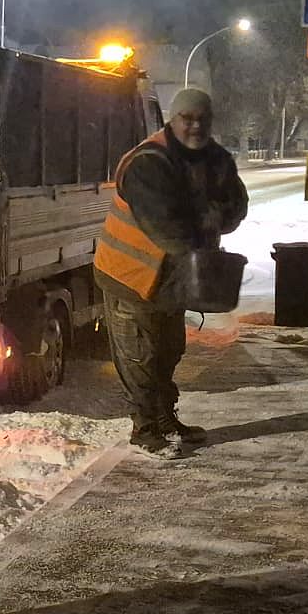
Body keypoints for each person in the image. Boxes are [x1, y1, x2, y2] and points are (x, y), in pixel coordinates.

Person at [94, 88, 249, 457]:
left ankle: (165, 418)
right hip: (131, 276)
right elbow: (166, 229)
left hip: (172, 279)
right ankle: (144, 429)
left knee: (169, 350)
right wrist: (208, 216)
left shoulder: (216, 159)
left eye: (202, 119)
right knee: (140, 356)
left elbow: (237, 204)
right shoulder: (148, 162)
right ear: (172, 119)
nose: (195, 126)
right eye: (187, 118)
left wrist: (220, 215)